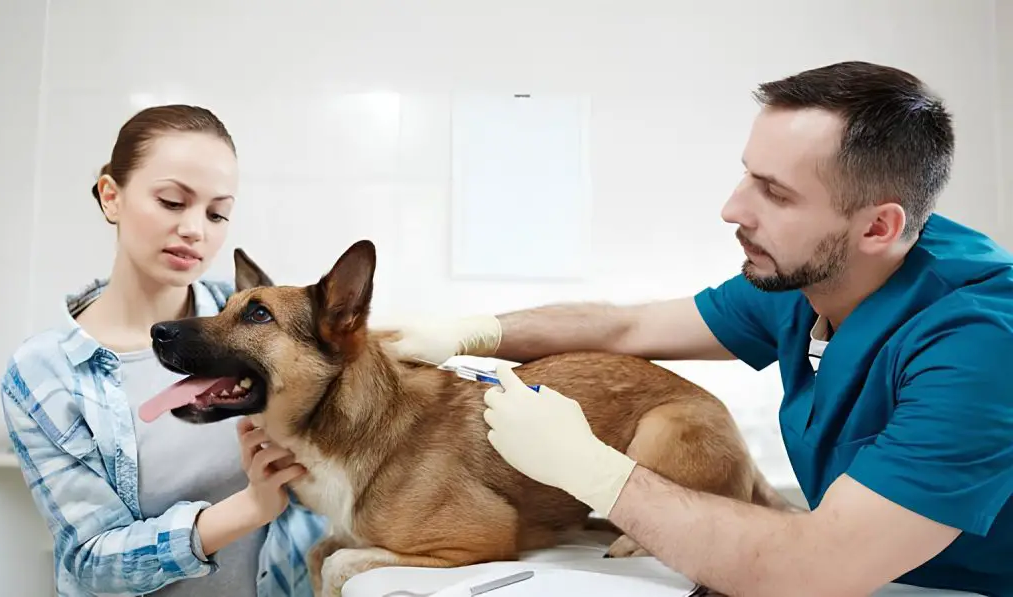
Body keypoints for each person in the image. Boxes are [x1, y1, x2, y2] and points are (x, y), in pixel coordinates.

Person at [383, 61, 1013, 597]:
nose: (733, 209)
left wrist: (596, 472)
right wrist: (476, 331)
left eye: (774, 192)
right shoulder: (814, 276)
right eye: (747, 174)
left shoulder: (978, 345)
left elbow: (823, 563)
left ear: (877, 226)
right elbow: (627, 328)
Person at [0, 105, 326, 596]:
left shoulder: (257, 319)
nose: (197, 229)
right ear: (111, 197)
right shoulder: (43, 373)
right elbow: (92, 561)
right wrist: (250, 507)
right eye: (173, 202)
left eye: (218, 213)